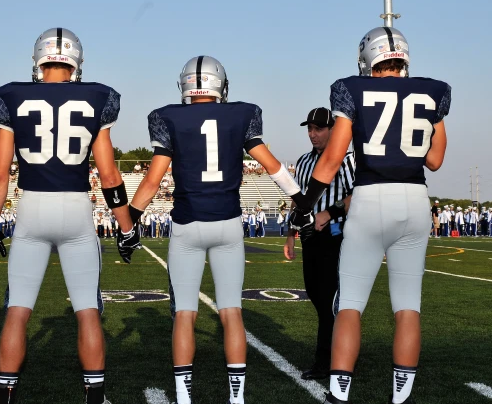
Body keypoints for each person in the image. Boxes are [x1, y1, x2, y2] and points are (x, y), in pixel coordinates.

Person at [129, 55, 303, 404]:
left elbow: (153, 178)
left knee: (185, 314)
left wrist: (129, 219)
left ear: (186, 86)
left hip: (188, 222)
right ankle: (236, 396)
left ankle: (183, 395)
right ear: (221, 85)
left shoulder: (169, 117)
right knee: (231, 311)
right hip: (227, 223)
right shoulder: (241, 113)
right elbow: (270, 165)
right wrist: (302, 196)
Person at [289, 27, 450, 404]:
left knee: (350, 303)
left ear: (367, 58)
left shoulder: (352, 88)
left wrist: (303, 205)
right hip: (414, 199)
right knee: (408, 303)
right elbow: (436, 159)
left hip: (370, 196)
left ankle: (339, 393)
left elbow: (332, 159)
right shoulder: (433, 91)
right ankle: (401, 396)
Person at [0, 27, 136, 404]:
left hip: (32, 208)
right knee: (87, 309)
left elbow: (1, 173)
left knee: (18, 309)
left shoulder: (12, 96)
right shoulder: (96, 97)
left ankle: (5, 396)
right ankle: (94, 396)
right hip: (75, 209)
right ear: (76, 62)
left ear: (38, 61)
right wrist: (125, 227)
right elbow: (109, 175)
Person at [283, 107, 355, 380]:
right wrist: (291, 232)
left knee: (330, 300)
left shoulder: (347, 159)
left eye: (319, 129)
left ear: (333, 130)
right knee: (316, 295)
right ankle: (340, 352)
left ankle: (328, 360)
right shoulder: (303, 161)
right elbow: (299, 201)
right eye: (310, 129)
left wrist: (332, 212)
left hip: (337, 235)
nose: (313, 134)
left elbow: (356, 195)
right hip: (310, 236)